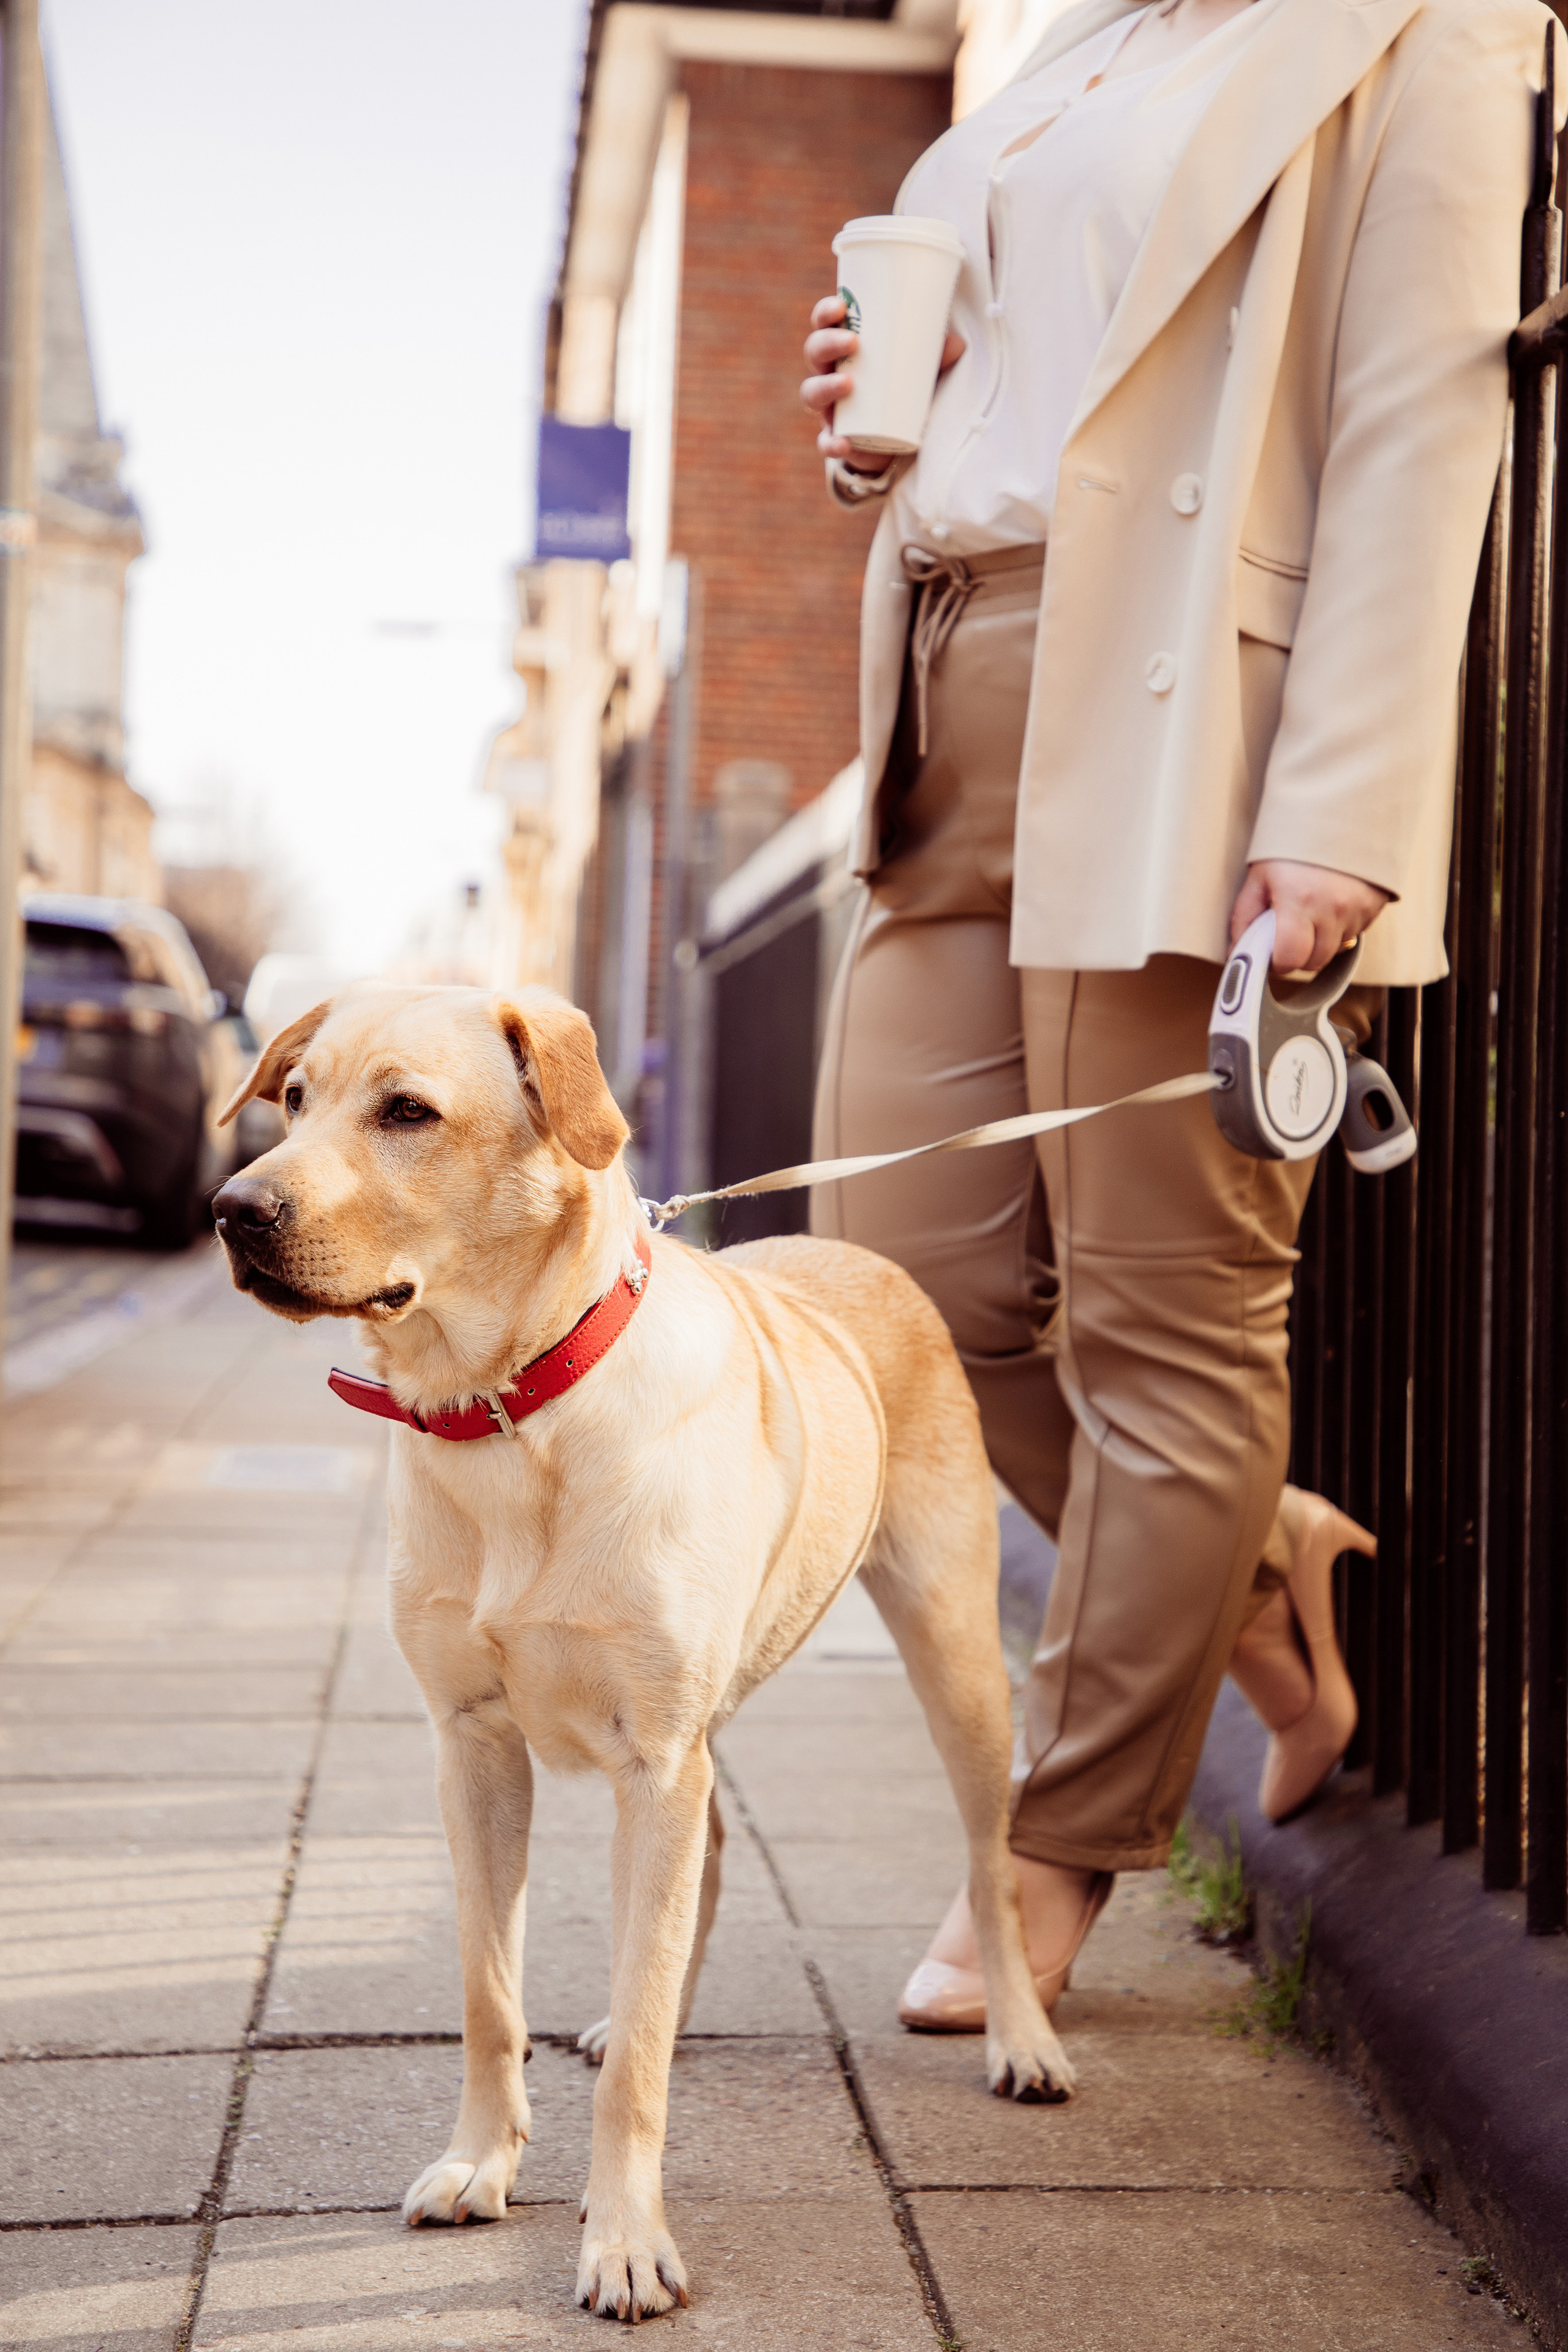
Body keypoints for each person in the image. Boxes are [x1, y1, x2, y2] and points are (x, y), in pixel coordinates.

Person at [801, 0, 1561, 2032]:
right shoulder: (1063, 47)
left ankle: (1054, 1850)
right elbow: (1061, 367)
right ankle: (1245, 1565)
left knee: (1169, 1317)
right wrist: (916, 396)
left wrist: (1342, 813)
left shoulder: (1422, 36)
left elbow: (1421, 421)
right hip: (948, 683)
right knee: (906, 1305)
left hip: (1178, 711)